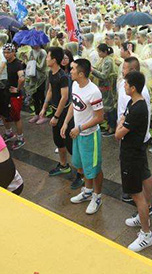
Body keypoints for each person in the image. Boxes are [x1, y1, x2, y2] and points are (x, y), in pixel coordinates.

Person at [116, 71, 152, 252]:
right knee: (144, 177)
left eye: (125, 84)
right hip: (136, 151)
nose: (123, 86)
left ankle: (146, 234)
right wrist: (122, 122)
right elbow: (123, 121)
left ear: (133, 88)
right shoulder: (134, 102)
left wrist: (121, 124)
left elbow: (118, 134)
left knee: (136, 195)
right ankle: (143, 215)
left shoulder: (138, 108)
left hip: (132, 154)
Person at [62, 58, 106, 214]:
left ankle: (97, 196)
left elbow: (100, 118)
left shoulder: (94, 92)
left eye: (73, 69)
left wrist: (80, 128)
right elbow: (74, 105)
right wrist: (66, 122)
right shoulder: (75, 84)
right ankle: (87, 191)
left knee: (94, 168)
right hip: (78, 134)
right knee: (81, 165)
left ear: (81, 73)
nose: (70, 71)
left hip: (90, 136)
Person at [39, 47, 74, 177]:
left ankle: (82, 173)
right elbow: (50, 90)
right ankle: (64, 165)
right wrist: (44, 107)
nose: (46, 59)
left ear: (54, 60)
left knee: (70, 144)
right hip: (55, 111)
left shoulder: (63, 76)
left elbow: (64, 98)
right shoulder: (51, 73)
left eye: (48, 57)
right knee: (58, 141)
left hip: (64, 114)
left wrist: (56, 116)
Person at [2, 43, 26, 150]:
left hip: (15, 95)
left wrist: (18, 89)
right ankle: (9, 133)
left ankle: (20, 138)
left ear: (13, 52)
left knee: (16, 117)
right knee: (4, 113)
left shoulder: (17, 64)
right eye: (4, 52)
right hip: (7, 92)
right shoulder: (8, 62)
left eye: (8, 52)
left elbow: (22, 78)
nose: (6, 55)